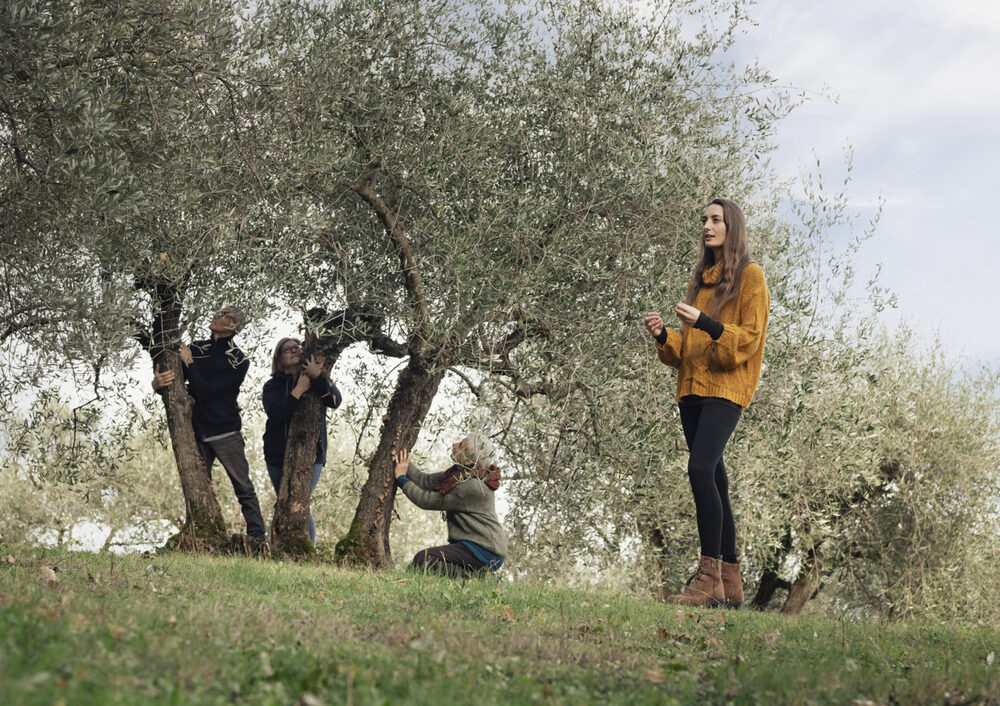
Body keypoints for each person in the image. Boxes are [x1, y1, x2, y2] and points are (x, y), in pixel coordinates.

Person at [643, 198, 769, 608]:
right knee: (715, 478)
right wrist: (665, 335)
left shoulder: (751, 277)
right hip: (691, 389)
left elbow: (748, 339)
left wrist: (706, 323)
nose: (707, 226)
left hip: (727, 390)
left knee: (699, 469)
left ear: (732, 227)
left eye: (715, 219)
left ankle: (709, 577)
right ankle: (731, 584)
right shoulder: (699, 281)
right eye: (704, 220)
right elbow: (687, 349)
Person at [152, 305, 268, 544]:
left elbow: (207, 392)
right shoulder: (196, 348)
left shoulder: (238, 360)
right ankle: (199, 531)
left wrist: (191, 365)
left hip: (225, 430)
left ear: (234, 326)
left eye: (224, 316)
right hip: (196, 430)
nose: (216, 316)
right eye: (217, 313)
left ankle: (257, 538)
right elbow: (175, 386)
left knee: (243, 486)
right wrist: (156, 384)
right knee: (198, 485)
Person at [261, 337, 342, 543]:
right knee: (285, 501)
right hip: (276, 456)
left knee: (300, 500)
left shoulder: (316, 380)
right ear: (279, 359)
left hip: (312, 455)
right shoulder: (272, 386)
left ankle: (307, 548)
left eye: (297, 347)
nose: (294, 350)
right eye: (287, 349)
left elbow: (335, 401)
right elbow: (277, 414)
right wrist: (299, 389)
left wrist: (316, 377)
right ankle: (285, 547)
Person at [392, 433, 507, 578]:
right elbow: (424, 480)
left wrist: (402, 479)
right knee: (423, 561)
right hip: (476, 546)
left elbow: (426, 500)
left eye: (460, 445)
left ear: (469, 458)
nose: (454, 445)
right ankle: (479, 575)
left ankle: (477, 579)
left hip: (486, 549)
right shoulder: (459, 475)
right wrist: (402, 461)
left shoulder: (470, 486)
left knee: (424, 560)